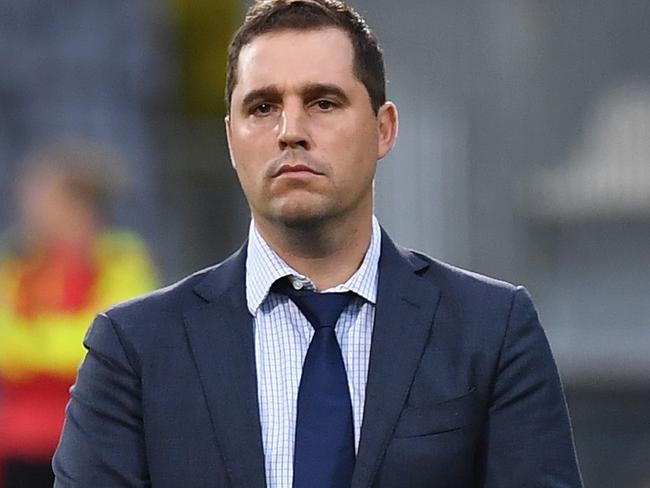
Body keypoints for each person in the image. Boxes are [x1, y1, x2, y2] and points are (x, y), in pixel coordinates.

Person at [53, 1, 583, 486]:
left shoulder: (492, 330)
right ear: (231, 139)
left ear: (383, 129)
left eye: (323, 102)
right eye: (262, 107)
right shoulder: (134, 349)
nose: (290, 130)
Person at [0, 140, 158, 487]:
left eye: (41, 194)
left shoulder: (119, 259)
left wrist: (34, 345)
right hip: (21, 444)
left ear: (77, 203)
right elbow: (6, 344)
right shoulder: (20, 262)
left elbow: (111, 341)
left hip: (92, 440)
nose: (28, 206)